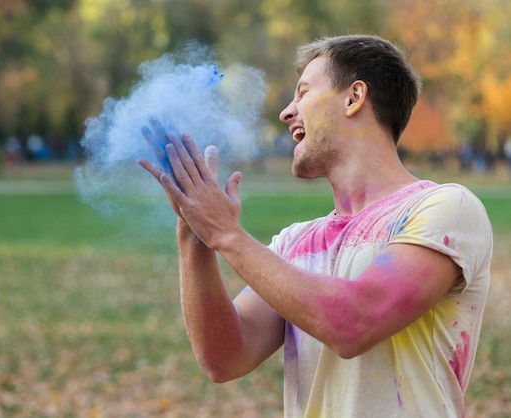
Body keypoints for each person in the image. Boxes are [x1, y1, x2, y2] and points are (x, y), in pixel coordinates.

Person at [138, 35, 492, 417]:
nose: (287, 113)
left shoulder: (447, 209)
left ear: (354, 97)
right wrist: (195, 234)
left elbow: (354, 321)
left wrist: (226, 234)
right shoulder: (296, 242)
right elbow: (224, 358)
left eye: (303, 92)